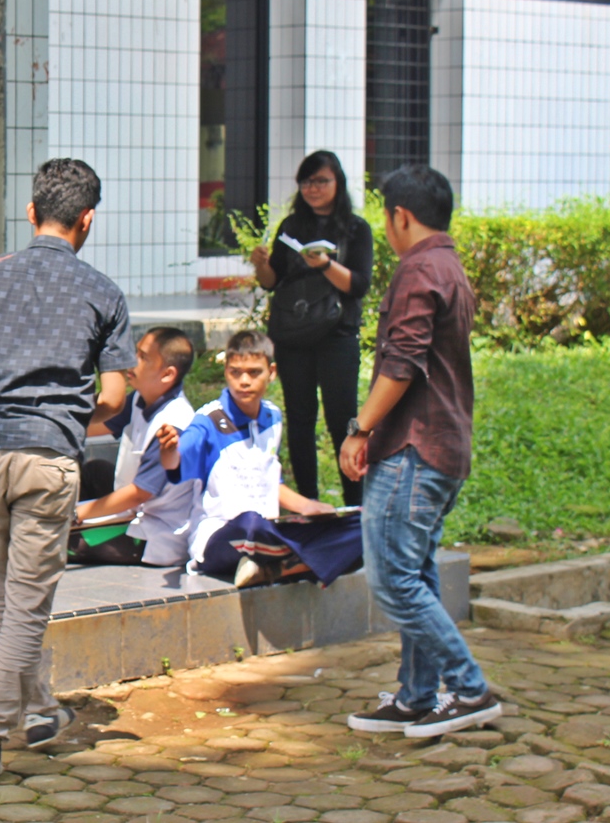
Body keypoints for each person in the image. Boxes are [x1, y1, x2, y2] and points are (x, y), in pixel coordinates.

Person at [0, 158, 135, 778]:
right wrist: (59, 414)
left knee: (6, 598)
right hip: (48, 456)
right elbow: (112, 397)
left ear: (31, 213)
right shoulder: (103, 293)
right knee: (25, 605)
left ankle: (39, 711)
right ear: (87, 220)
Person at [340, 165, 502, 739]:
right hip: (443, 443)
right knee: (418, 575)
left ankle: (468, 687)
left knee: (394, 581)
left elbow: (401, 363)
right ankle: (415, 696)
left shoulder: (418, 269)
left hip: (414, 447)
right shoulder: (448, 266)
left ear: (399, 216)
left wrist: (359, 428)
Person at [154, 331, 364, 590]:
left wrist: (308, 507)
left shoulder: (273, 417)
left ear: (271, 372)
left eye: (254, 372)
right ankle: (297, 562)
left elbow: (269, 481)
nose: (244, 381)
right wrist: (168, 448)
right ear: (226, 372)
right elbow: (174, 462)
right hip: (222, 538)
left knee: (363, 525)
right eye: (235, 372)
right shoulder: (208, 420)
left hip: (268, 532)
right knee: (250, 522)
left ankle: (277, 566)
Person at [250, 150, 373, 507]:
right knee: (301, 422)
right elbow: (273, 281)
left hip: (337, 335)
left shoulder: (355, 229)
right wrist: (260, 265)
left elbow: (359, 284)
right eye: (306, 182)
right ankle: (309, 504)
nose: (312, 189)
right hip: (293, 336)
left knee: (341, 420)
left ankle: (354, 505)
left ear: (338, 184)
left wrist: (324, 265)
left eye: (321, 181)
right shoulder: (291, 226)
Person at [70, 327, 197, 567]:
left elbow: (139, 493)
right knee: (94, 471)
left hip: (152, 532)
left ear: (167, 374)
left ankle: (77, 525)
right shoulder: (141, 398)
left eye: (143, 357)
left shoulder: (173, 426)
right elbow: (95, 425)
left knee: (65, 544)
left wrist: (74, 515)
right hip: (133, 509)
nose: (132, 361)